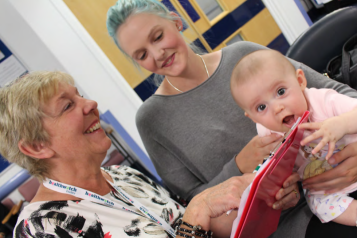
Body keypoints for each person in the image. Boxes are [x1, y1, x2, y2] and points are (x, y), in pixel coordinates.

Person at [106, 0, 357, 236]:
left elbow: (339, 94)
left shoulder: (243, 54)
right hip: (294, 224)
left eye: (158, 36)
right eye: (141, 55)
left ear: (176, 21)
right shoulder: (152, 122)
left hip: (343, 179)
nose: (157, 53)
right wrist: (238, 166)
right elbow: (194, 205)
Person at [0, 71, 295, 238]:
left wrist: (261, 199)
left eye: (79, 95)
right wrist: (197, 210)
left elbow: (194, 231)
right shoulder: (42, 227)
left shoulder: (123, 176)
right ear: (37, 147)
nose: (90, 103)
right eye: (67, 106)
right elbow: (192, 223)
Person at [230, 49, 357, 227]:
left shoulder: (322, 101)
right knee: (318, 204)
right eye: (261, 107)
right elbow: (284, 167)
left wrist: (341, 123)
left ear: (300, 81)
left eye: (281, 92)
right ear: (252, 117)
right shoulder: (269, 134)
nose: (277, 108)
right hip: (324, 187)